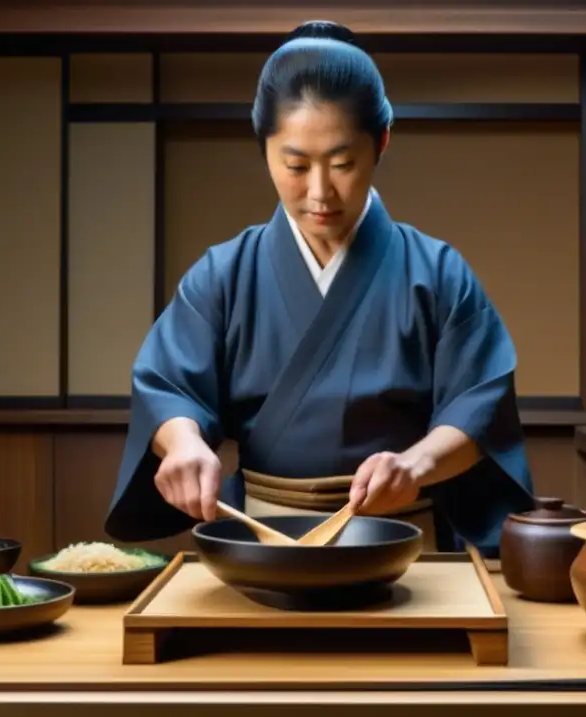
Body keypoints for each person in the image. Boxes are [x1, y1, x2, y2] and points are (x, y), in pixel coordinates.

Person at [105, 20, 536, 555]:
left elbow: (481, 404)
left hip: (402, 546)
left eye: (342, 163)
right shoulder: (224, 275)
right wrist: (184, 442)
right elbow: (167, 386)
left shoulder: (437, 274)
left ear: (381, 143)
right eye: (295, 164)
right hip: (260, 542)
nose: (318, 192)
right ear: (264, 148)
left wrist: (414, 464)